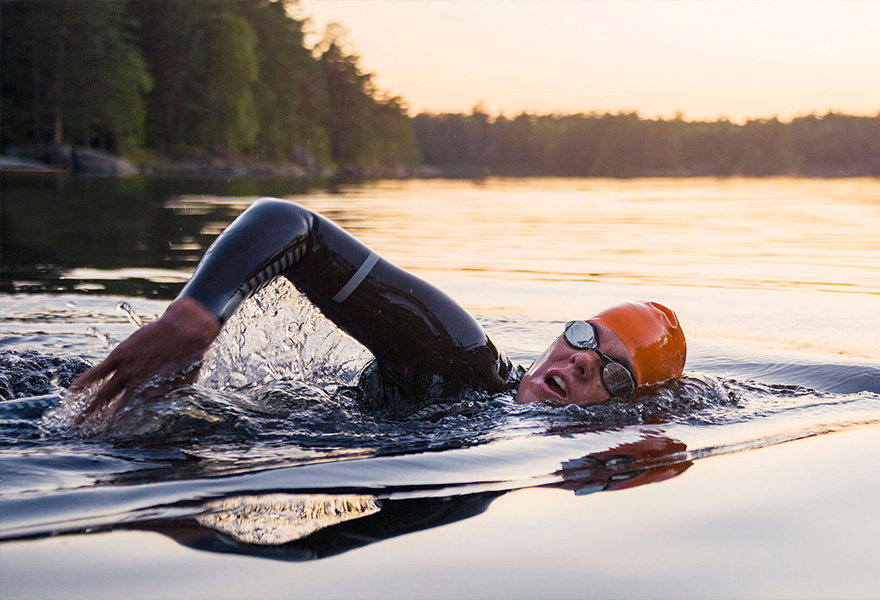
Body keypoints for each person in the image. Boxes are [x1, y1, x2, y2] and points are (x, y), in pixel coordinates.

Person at [71, 198, 687, 420]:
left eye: (611, 373)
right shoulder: (459, 358)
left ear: (627, 407)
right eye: (585, 336)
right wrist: (196, 317)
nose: (581, 363)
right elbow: (295, 226)